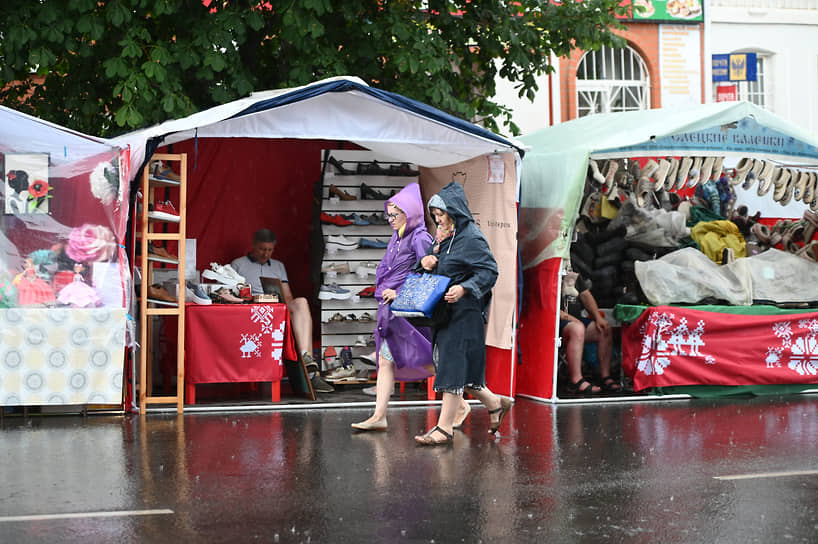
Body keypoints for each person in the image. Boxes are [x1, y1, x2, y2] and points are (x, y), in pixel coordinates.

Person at [351, 183, 470, 431]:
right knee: (387, 361)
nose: (391, 219)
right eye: (389, 215)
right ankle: (379, 415)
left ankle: (468, 399)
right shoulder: (398, 237)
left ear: (411, 212)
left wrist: (398, 291)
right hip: (391, 312)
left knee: (426, 360)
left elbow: (427, 273)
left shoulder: (419, 237)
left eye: (395, 214)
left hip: (406, 312)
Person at [414, 181, 513, 446]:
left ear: (454, 212)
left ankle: (443, 428)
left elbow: (489, 271)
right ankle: (495, 403)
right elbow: (431, 267)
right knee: (460, 370)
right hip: (444, 313)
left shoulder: (471, 238)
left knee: (453, 366)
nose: (437, 220)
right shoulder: (443, 237)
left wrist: (464, 288)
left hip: (465, 314)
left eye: (441, 215)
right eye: (434, 216)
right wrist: (424, 261)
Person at [231, 228, 334, 393]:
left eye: (270, 250)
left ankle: (306, 357)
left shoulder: (279, 266)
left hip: (276, 312)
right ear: (253, 245)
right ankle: (311, 374)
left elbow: (287, 297)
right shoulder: (238, 264)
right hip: (251, 314)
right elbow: (232, 295)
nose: (266, 254)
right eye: (262, 249)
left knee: (300, 302)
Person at [559, 270, 619, 395]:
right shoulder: (547, 272)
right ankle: (576, 380)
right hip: (556, 323)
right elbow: (549, 307)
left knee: (604, 328)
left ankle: (605, 376)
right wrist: (574, 320)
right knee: (577, 328)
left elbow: (585, 295)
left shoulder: (572, 274)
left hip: (575, 322)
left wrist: (598, 318)